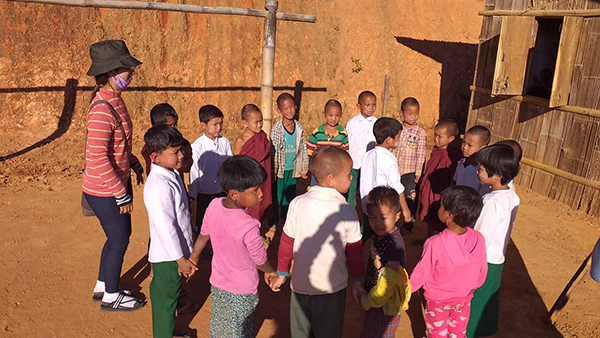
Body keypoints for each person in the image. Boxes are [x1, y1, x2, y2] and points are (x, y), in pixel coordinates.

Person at [270, 146, 365, 338]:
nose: (351, 178)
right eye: (348, 175)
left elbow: (287, 243)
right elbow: (355, 252)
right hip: (332, 288)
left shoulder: (297, 203)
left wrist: (282, 273)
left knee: (301, 332)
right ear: (331, 179)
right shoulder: (347, 211)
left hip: (300, 286)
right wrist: (357, 281)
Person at [82, 40, 145, 311]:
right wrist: (120, 194)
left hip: (114, 184)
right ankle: (111, 295)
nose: (131, 73)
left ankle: (102, 284)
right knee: (120, 238)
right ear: (110, 74)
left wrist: (132, 162)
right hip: (105, 190)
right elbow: (97, 157)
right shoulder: (100, 111)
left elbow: (117, 145)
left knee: (116, 236)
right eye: (125, 69)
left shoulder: (115, 101)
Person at [189, 156, 278, 337]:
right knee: (240, 330)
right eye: (255, 190)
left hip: (218, 283)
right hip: (243, 289)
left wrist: (193, 257)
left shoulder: (214, 205)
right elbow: (260, 259)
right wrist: (270, 272)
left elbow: (203, 235)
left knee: (221, 325)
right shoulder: (249, 226)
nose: (261, 194)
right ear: (234, 194)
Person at [410, 186, 487, 338]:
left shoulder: (434, 243)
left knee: (437, 333)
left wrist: (406, 290)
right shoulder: (479, 238)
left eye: (441, 206)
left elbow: (422, 273)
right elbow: (482, 269)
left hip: (438, 301)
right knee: (458, 332)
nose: (438, 208)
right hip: (463, 299)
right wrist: (473, 286)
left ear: (449, 215)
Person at [143, 125, 196, 338]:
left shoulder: (169, 173)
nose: (181, 155)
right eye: (174, 152)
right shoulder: (158, 186)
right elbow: (166, 227)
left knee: (170, 297)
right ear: (155, 157)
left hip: (174, 254)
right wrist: (180, 259)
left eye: (180, 150)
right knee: (165, 302)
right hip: (168, 257)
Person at [467, 144, 520, 337]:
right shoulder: (511, 196)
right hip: (496, 258)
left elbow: (480, 238)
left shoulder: (491, 202)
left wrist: (468, 262)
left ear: (496, 175)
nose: (478, 172)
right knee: (486, 299)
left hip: (483, 260)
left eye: (480, 169)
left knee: (473, 301)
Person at [360, 186, 411, 338]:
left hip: (384, 304)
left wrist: (369, 301)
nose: (377, 223)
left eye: (383, 218)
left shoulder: (394, 246)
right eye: (372, 217)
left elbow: (389, 282)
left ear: (397, 216)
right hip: (378, 301)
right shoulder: (380, 236)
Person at [360, 117, 411, 243]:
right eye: (398, 137)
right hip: (383, 207)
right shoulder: (390, 160)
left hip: (367, 205)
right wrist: (405, 210)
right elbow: (397, 187)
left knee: (369, 232)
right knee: (385, 236)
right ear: (389, 140)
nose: (399, 140)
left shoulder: (367, 155)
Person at [414, 120, 462, 245]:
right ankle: (429, 240)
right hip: (429, 191)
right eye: (435, 135)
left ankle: (436, 244)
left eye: (440, 136)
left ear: (451, 138)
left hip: (439, 194)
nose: (435, 138)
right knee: (430, 218)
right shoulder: (436, 150)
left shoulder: (452, 155)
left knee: (438, 221)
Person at [189, 105, 233, 236]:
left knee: (222, 220)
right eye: (215, 124)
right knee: (203, 222)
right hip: (204, 192)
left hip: (222, 190)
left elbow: (229, 165)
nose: (219, 128)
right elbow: (194, 172)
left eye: (220, 123)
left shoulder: (224, 142)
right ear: (203, 125)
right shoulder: (197, 147)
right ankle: (203, 248)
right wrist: (192, 194)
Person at [269, 93, 309, 229]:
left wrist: (303, 168)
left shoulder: (299, 128)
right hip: (280, 170)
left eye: (292, 107)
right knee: (277, 195)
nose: (289, 111)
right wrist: (273, 170)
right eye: (286, 108)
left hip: (292, 169)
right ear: (280, 110)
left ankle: (286, 219)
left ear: (296, 107)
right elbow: (273, 151)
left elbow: (302, 148)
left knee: (290, 195)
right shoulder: (276, 129)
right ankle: (274, 220)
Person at [233, 104, 272, 222]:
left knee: (262, 203)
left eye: (261, 121)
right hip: (248, 181)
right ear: (245, 123)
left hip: (263, 179)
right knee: (249, 208)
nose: (259, 125)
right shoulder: (240, 141)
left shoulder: (262, 137)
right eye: (256, 122)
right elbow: (236, 164)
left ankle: (259, 230)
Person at [394, 97, 426, 233]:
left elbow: (421, 154)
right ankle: (394, 220)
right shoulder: (397, 129)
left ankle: (409, 223)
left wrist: (418, 172)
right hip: (395, 170)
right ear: (402, 114)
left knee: (410, 197)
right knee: (395, 196)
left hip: (410, 172)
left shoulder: (420, 133)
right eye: (409, 114)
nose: (413, 117)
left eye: (416, 114)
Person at [346, 91, 378, 206]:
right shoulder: (352, 123)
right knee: (351, 193)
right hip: (353, 164)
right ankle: (349, 220)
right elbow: (347, 142)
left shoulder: (376, 123)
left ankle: (366, 223)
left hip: (368, 166)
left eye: (374, 105)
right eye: (367, 105)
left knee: (367, 194)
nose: (371, 108)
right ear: (359, 106)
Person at [307, 99, 349, 186]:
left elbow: (345, 152)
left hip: (335, 171)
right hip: (319, 170)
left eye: (337, 116)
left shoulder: (343, 133)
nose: (333, 119)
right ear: (325, 114)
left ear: (341, 115)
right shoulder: (317, 132)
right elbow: (309, 151)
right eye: (331, 115)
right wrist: (309, 167)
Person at [141, 103, 179, 175]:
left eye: (175, 124)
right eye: (170, 126)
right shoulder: (152, 149)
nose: (174, 128)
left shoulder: (175, 142)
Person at [454, 125, 491, 194]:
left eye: (470, 145)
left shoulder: (483, 169)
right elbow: (455, 181)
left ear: (483, 148)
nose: (464, 147)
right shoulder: (461, 162)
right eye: (463, 142)